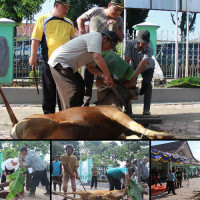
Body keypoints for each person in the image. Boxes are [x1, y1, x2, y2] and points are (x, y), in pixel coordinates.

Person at [48, 31, 120, 110]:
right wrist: (108, 75)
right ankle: (68, 117)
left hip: (69, 66)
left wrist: (103, 76)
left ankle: (77, 113)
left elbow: (91, 68)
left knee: (81, 86)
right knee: (72, 90)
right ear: (104, 38)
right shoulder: (96, 36)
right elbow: (97, 57)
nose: (108, 49)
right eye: (109, 46)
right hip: (60, 62)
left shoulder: (95, 50)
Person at [29, 0, 75, 114]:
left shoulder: (69, 22)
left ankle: (62, 117)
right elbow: (36, 39)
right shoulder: (43, 19)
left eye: (68, 8)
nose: (66, 10)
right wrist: (33, 56)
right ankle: (48, 118)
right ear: (56, 5)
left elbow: (73, 42)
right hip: (47, 62)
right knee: (49, 91)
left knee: (63, 92)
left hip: (64, 64)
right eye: (64, 7)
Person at [77, 0, 124, 106]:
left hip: (106, 55)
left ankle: (103, 107)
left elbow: (121, 39)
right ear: (109, 5)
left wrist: (116, 29)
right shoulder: (96, 11)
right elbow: (80, 19)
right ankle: (84, 106)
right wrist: (82, 32)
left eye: (120, 11)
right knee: (86, 82)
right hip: (90, 52)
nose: (117, 13)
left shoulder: (119, 20)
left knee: (105, 81)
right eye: (116, 9)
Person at [124, 29, 155, 115]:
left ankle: (146, 110)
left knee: (147, 84)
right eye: (139, 42)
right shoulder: (129, 44)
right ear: (136, 38)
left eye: (144, 43)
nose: (141, 45)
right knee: (127, 84)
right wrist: (127, 79)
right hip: (133, 67)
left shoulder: (149, 48)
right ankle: (128, 110)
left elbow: (141, 66)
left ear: (147, 42)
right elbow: (126, 62)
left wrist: (132, 81)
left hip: (147, 67)